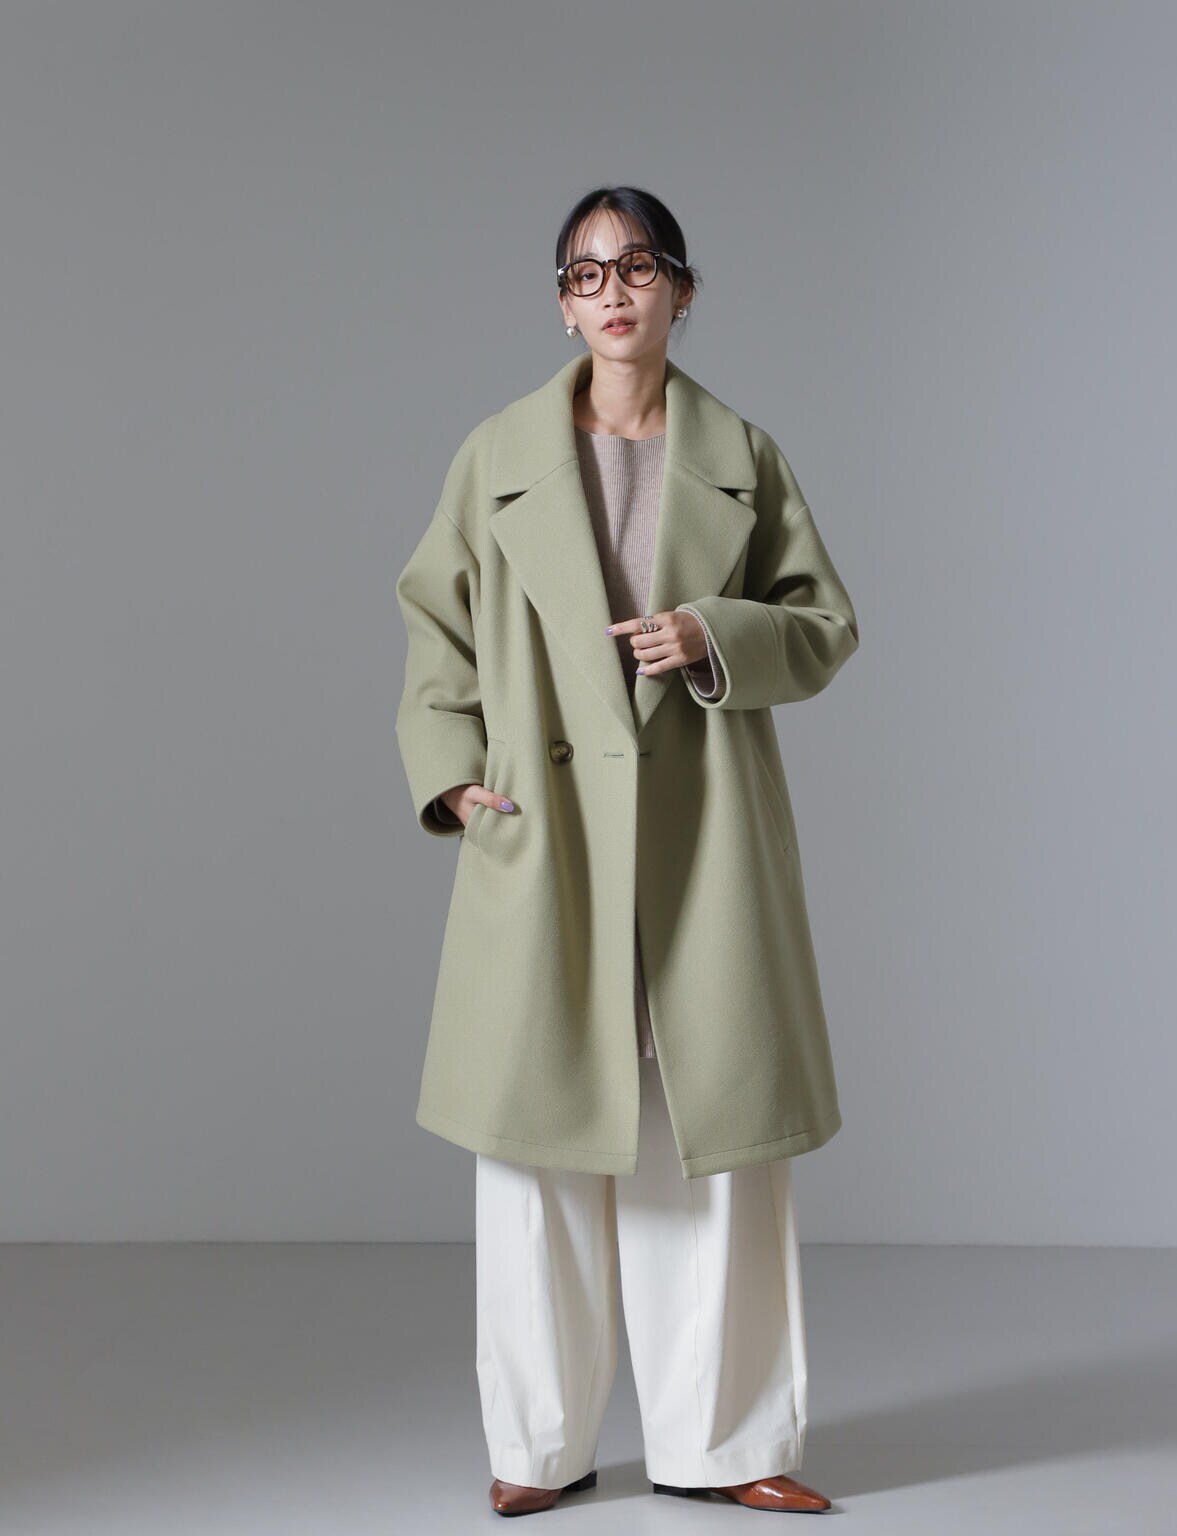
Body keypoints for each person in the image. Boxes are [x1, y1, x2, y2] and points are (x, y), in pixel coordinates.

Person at [393, 185, 857, 1516]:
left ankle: (733, 1448)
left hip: (703, 832)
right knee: (536, 1147)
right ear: (562, 303)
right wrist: (454, 779)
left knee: (716, 1147)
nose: (612, 291)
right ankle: (537, 1448)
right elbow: (436, 627)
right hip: (545, 841)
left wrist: (715, 634)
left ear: (682, 290)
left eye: (637, 265)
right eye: (585, 272)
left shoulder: (744, 455)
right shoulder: (496, 455)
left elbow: (823, 626)